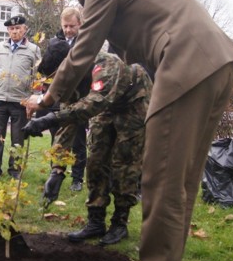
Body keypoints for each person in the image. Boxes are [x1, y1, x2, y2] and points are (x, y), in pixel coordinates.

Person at [25, 0, 233, 261]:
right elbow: (130, 53)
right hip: (215, 65)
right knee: (180, 178)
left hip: (187, 64)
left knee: (160, 175)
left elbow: (81, 50)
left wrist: (47, 99)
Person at [24, 44, 152, 245]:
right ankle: (95, 221)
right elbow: (66, 125)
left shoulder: (104, 64)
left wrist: (49, 119)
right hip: (104, 107)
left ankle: (119, 223)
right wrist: (57, 170)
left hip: (133, 101)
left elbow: (95, 103)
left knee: (125, 162)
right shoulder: (70, 82)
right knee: (95, 161)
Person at [36, 7, 89, 192]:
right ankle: (56, 172)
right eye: (65, 26)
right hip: (56, 96)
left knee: (78, 140)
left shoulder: (86, 42)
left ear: (79, 24)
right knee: (56, 136)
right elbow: (47, 69)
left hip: (77, 97)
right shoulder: (54, 42)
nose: (68, 30)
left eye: (71, 26)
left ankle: (77, 178)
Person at [0, 15, 41, 180]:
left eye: (18, 28)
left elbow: (37, 77)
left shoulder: (33, 50)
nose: (15, 31)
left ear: (25, 29)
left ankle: (15, 171)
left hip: (20, 101)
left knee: (18, 139)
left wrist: (34, 98)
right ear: (8, 30)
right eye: (12, 29)